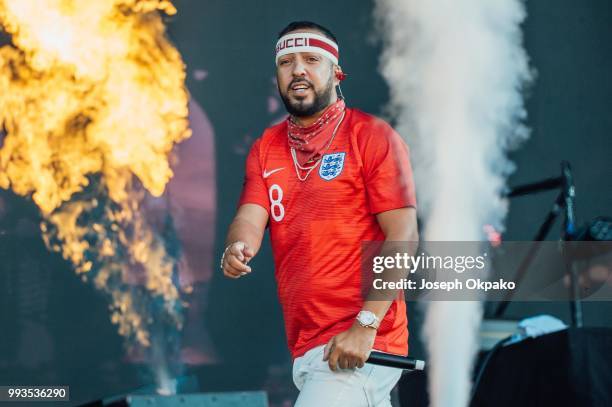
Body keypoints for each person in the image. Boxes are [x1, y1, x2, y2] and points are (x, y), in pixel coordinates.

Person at [220, 21, 419, 407]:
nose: (297, 70)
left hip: (364, 343)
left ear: (336, 73)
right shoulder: (267, 147)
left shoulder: (372, 135)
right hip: (310, 347)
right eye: (286, 62)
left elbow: (404, 236)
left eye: (311, 59)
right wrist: (236, 247)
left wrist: (365, 326)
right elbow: (250, 215)